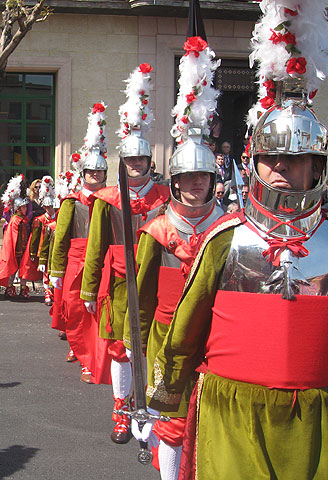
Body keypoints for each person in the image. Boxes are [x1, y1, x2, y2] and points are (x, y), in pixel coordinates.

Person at [147, 6, 328, 477]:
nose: (284, 169)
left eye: (298, 158)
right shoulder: (224, 239)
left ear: (318, 167)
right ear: (254, 163)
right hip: (233, 416)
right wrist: (168, 403)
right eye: (272, 158)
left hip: (318, 420)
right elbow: (184, 332)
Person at [125, 43, 224, 478]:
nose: (196, 185)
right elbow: (141, 294)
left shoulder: (232, 229)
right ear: (177, 182)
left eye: (203, 177)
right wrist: (135, 341)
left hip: (216, 343)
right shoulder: (156, 231)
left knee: (208, 425)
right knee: (168, 422)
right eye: (188, 178)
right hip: (166, 338)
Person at [80, 74, 171, 444]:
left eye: (141, 158)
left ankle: (149, 407)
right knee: (120, 350)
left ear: (150, 160)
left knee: (154, 346)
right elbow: (95, 248)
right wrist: (88, 288)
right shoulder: (107, 198)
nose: (135, 164)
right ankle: (121, 407)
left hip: (160, 284)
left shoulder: (167, 195)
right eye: (129, 158)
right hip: (119, 286)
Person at [50, 101, 110, 385]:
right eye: (91, 172)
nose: (95, 176)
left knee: (96, 312)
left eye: (99, 173)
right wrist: (56, 271)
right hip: (75, 261)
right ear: (83, 173)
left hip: (103, 262)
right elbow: (60, 239)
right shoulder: (71, 202)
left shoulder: (112, 200)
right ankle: (78, 347)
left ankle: (90, 359)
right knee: (75, 309)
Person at [0, 180, 34, 298]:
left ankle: (23, 289)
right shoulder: (15, 221)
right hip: (16, 250)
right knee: (12, 269)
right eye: (23, 207)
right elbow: (13, 238)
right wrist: (16, 250)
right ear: (18, 208)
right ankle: (10, 287)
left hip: (23, 249)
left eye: (26, 207)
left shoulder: (22, 219)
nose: (26, 209)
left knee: (24, 270)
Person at [27, 176, 57, 305]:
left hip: (56, 251)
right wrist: (33, 253)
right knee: (45, 273)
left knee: (54, 272)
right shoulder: (39, 220)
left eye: (52, 207)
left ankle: (54, 291)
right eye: (48, 207)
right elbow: (35, 238)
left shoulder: (59, 219)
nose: (50, 209)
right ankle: (47, 294)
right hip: (42, 250)